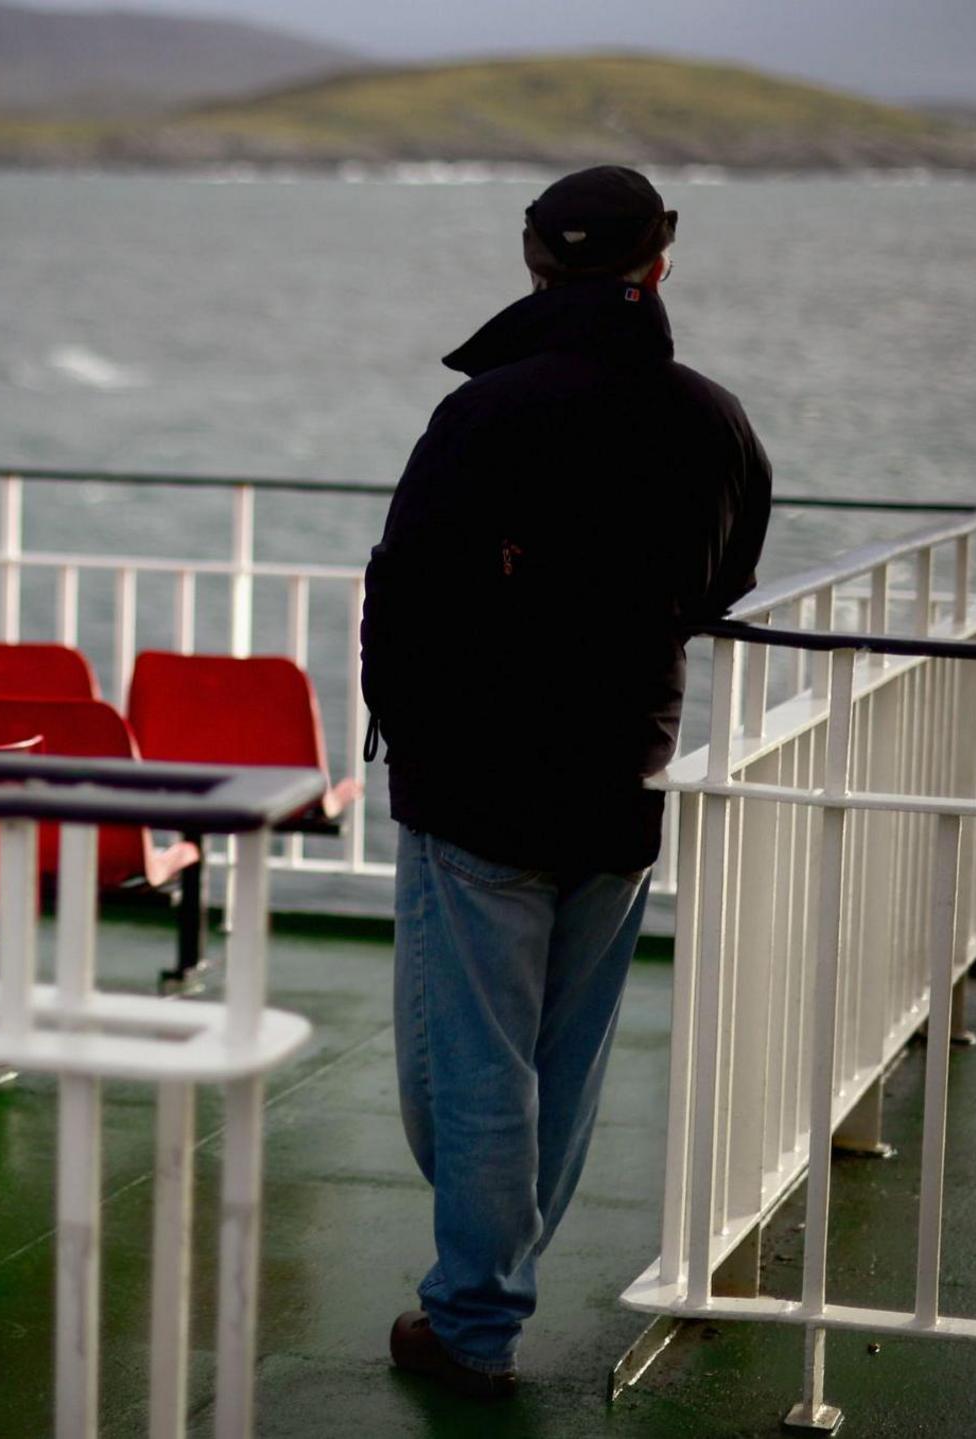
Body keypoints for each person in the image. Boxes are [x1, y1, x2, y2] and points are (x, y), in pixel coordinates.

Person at [358, 165, 771, 1399]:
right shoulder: (711, 419)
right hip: (618, 782)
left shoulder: (485, 411)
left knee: (468, 1073)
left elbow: (406, 582)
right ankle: (487, 1281)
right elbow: (720, 584)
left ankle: (476, 1314)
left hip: (474, 786)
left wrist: (415, 727)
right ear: (662, 260)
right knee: (559, 1058)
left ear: (534, 261)